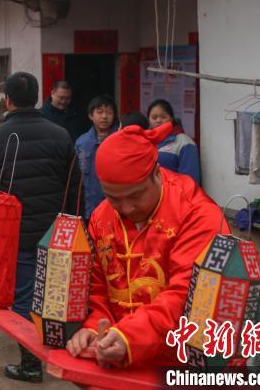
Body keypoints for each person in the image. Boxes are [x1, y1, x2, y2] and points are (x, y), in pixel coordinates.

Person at [66, 122, 223, 367]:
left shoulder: (196, 214)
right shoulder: (102, 216)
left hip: (180, 363)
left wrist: (130, 336)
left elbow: (187, 294)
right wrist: (94, 327)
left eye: (136, 195)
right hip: (119, 357)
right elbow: (97, 287)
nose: (126, 208)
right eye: (114, 197)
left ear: (157, 173)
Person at [0, 72, 80, 383]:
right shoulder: (61, 135)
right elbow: (74, 186)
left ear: (7, 100)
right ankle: (60, 358)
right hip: (55, 232)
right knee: (55, 295)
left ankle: (31, 364)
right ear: (38, 97)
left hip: (14, 235)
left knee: (23, 299)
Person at [75, 95, 118, 220]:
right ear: (90, 115)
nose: (104, 116)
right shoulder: (81, 143)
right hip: (88, 210)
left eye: (109, 112)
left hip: (115, 209)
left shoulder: (121, 139)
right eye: (99, 112)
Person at [147, 99, 201, 184]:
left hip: (174, 195)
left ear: (171, 119)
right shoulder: (144, 142)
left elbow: (190, 181)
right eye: (154, 117)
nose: (158, 121)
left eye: (163, 117)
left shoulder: (184, 142)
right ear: (149, 120)